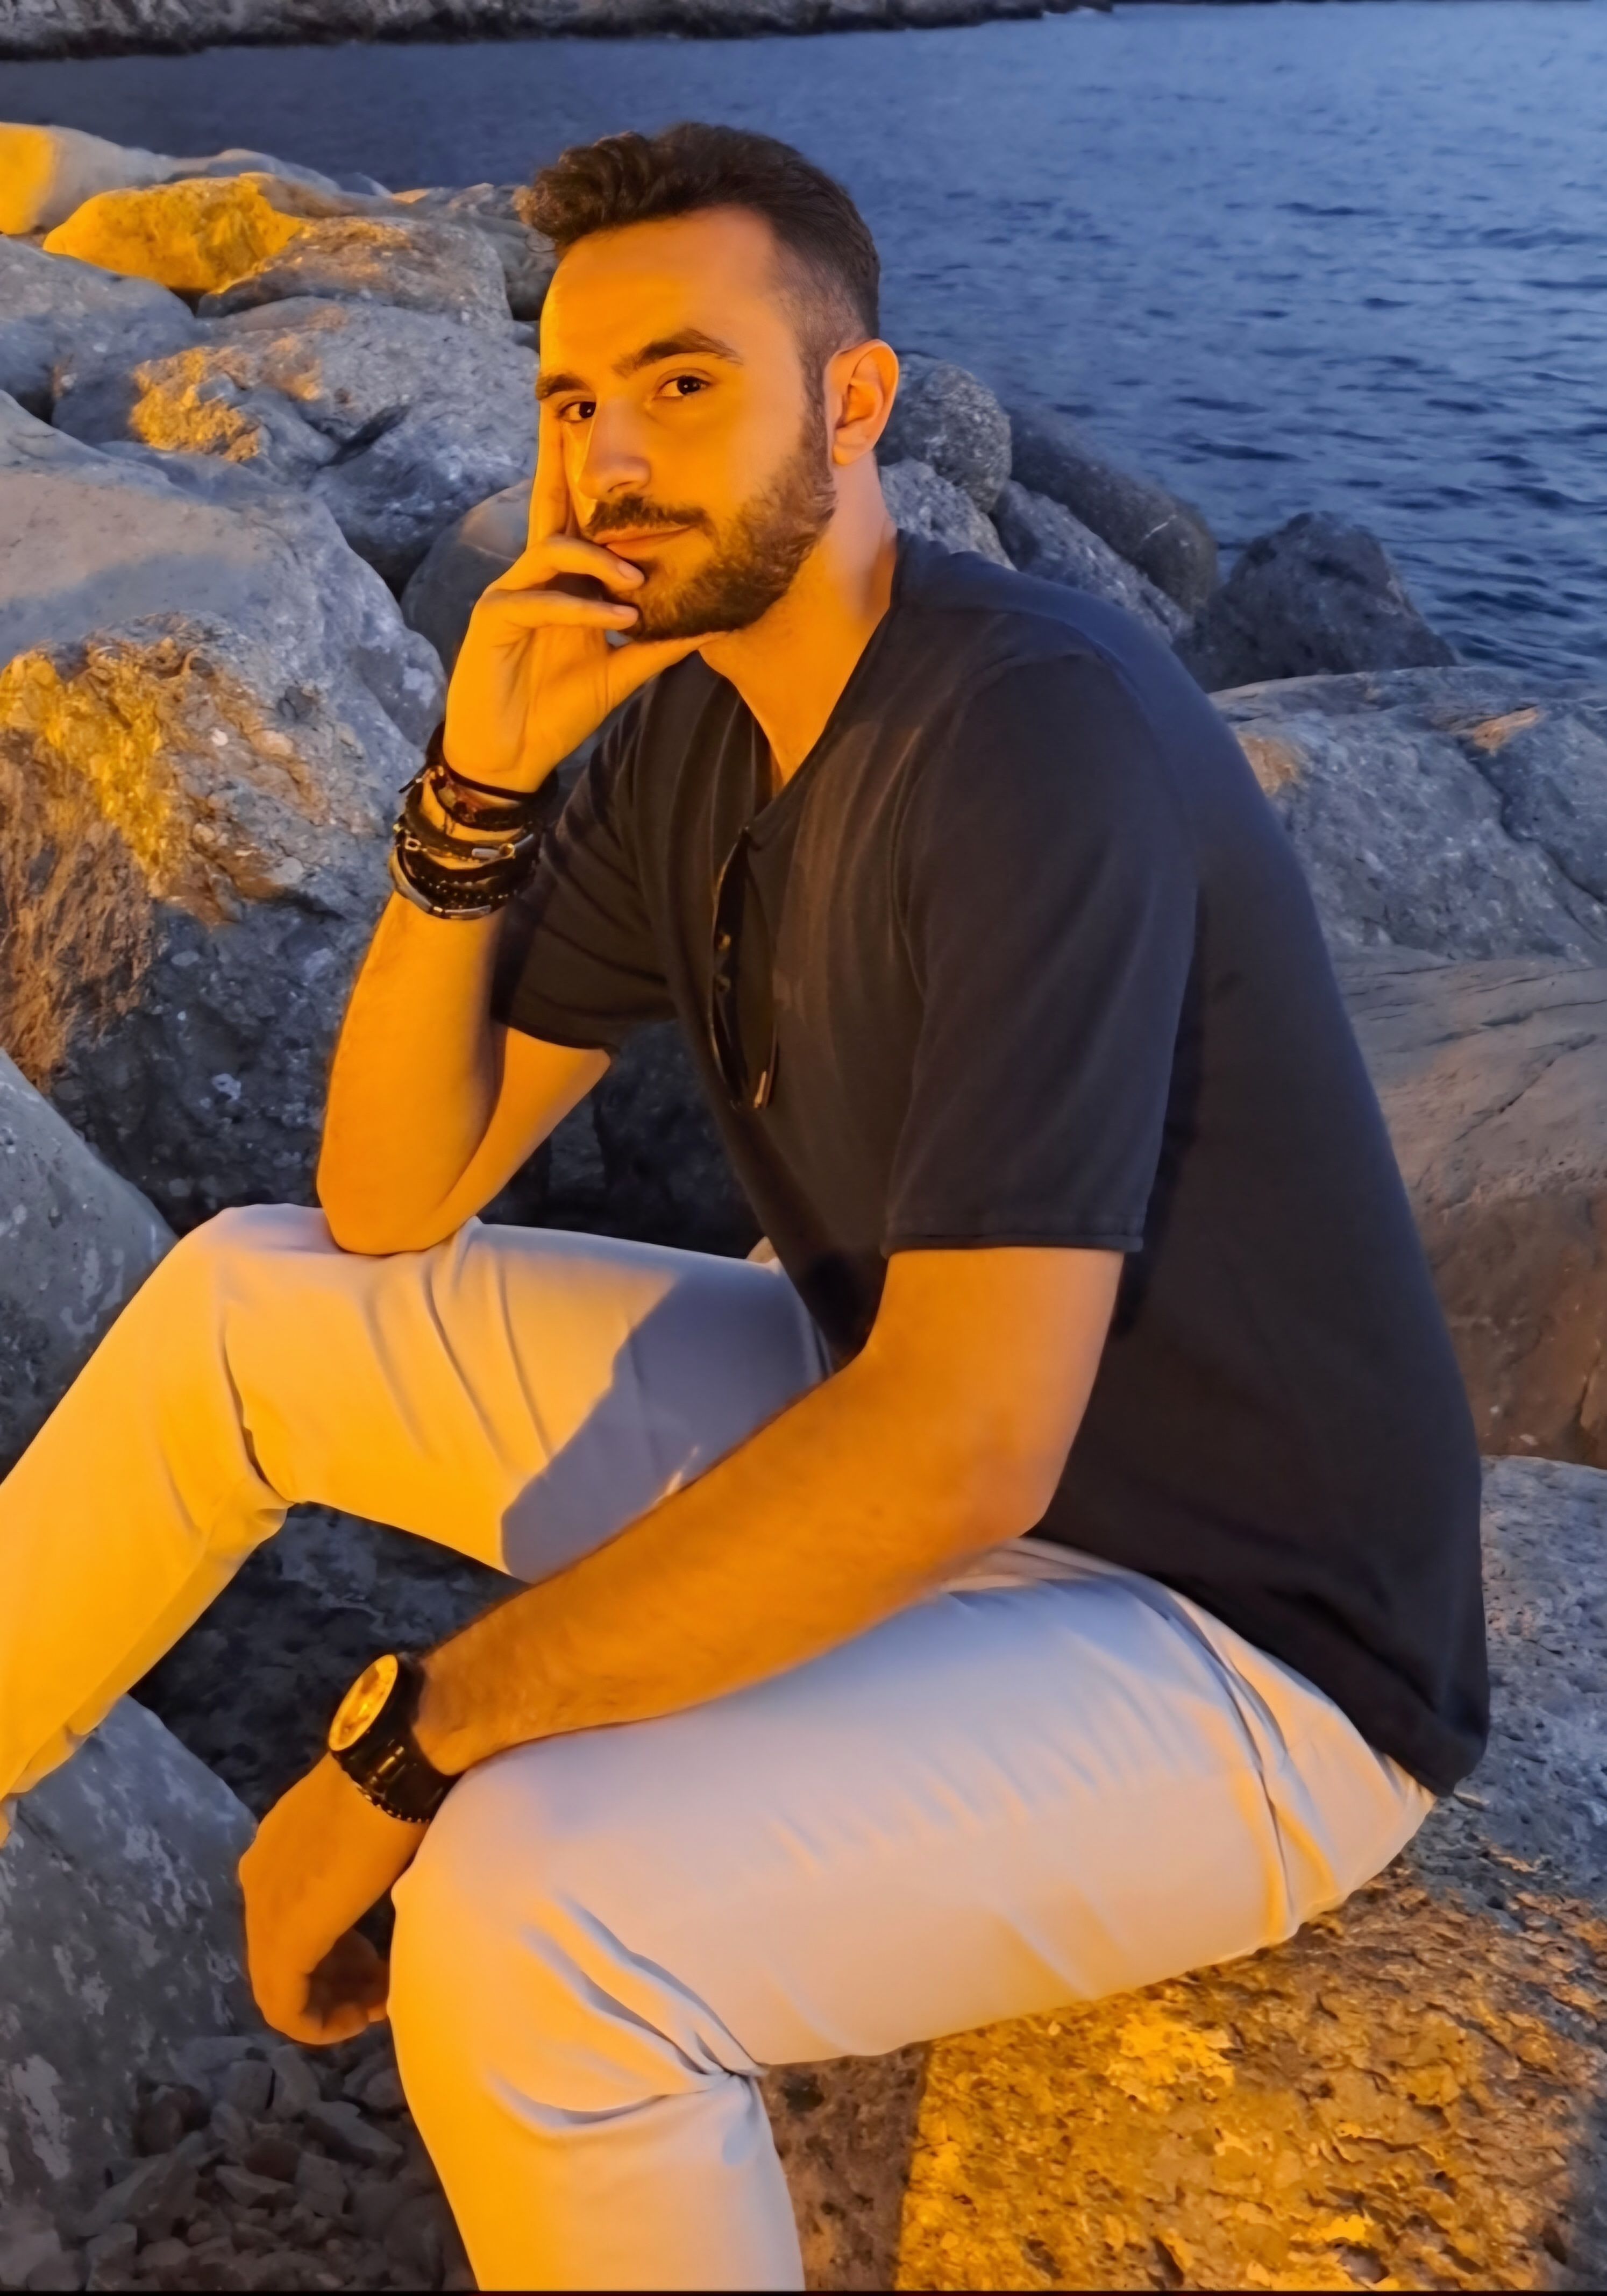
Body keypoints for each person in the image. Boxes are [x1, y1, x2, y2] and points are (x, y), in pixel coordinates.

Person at [0, 123, 1487, 2292]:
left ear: (855, 401)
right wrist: (477, 784)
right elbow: (389, 1197)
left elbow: (966, 1442)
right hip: (908, 1432)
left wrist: (413, 1739)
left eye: (684, 385)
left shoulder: (1028, 735)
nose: (607, 459)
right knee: (247, 1301)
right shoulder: (694, 736)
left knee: (525, 1905)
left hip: (1240, 1637)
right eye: (570, 401)